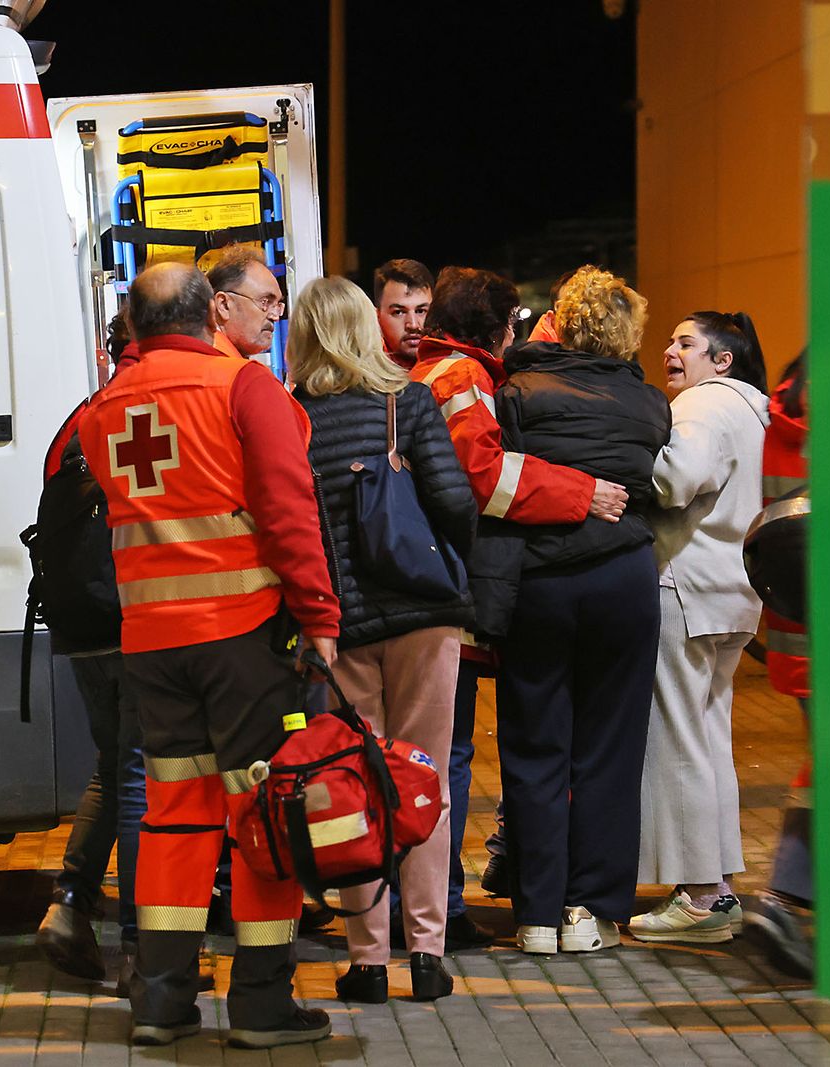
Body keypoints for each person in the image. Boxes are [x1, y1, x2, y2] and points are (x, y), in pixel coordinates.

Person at [77, 262, 339, 1049]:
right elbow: (289, 508)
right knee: (263, 806)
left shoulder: (104, 408)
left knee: (172, 818)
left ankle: (161, 999)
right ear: (206, 315)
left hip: (152, 645)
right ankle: (261, 1004)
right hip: (242, 635)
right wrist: (320, 614)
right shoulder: (242, 389)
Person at [407, 266, 630, 949]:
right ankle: (438, 912)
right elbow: (488, 477)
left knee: (445, 756)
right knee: (447, 760)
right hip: (446, 592)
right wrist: (582, 492)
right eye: (508, 323)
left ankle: (438, 907)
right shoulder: (460, 380)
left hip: (433, 588)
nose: (515, 335)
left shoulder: (434, 374)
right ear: (487, 325)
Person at [288, 277, 477, 1003]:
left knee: (354, 789)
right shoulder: (410, 401)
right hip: (425, 619)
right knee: (422, 775)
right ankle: (426, 955)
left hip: (341, 630)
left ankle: (367, 959)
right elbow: (456, 500)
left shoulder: (294, 417)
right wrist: (449, 564)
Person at [486, 267, 671, 954]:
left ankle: (535, 914)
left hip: (542, 582)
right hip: (624, 579)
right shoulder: (651, 404)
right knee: (610, 752)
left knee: (536, 746)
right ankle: (590, 911)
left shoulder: (518, 393)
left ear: (559, 320)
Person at [632, 311, 770, 944]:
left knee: (680, 739)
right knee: (711, 739)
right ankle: (717, 891)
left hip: (685, 586)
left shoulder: (702, 405)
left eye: (686, 342)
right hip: (736, 593)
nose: (670, 350)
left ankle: (696, 895)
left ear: (723, 360)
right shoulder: (754, 409)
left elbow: (672, 481)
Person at [35, 311, 145, 983]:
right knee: (139, 780)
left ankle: (70, 904)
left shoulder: (80, 415)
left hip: (78, 622)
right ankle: (143, 946)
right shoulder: (146, 404)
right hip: (133, 620)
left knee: (113, 765)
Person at [741, 351, 815, 977]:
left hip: (796, 633)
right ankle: (786, 896)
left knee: (829, 765)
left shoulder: (775, 424)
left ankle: (790, 897)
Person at [207, 245, 284, 360]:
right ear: (224, 305)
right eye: (265, 302)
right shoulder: (223, 369)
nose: (275, 317)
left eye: (277, 305)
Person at [372, 258, 434, 370]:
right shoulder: (361, 376)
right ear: (377, 316)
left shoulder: (454, 370)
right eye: (399, 312)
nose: (413, 325)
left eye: (421, 311)